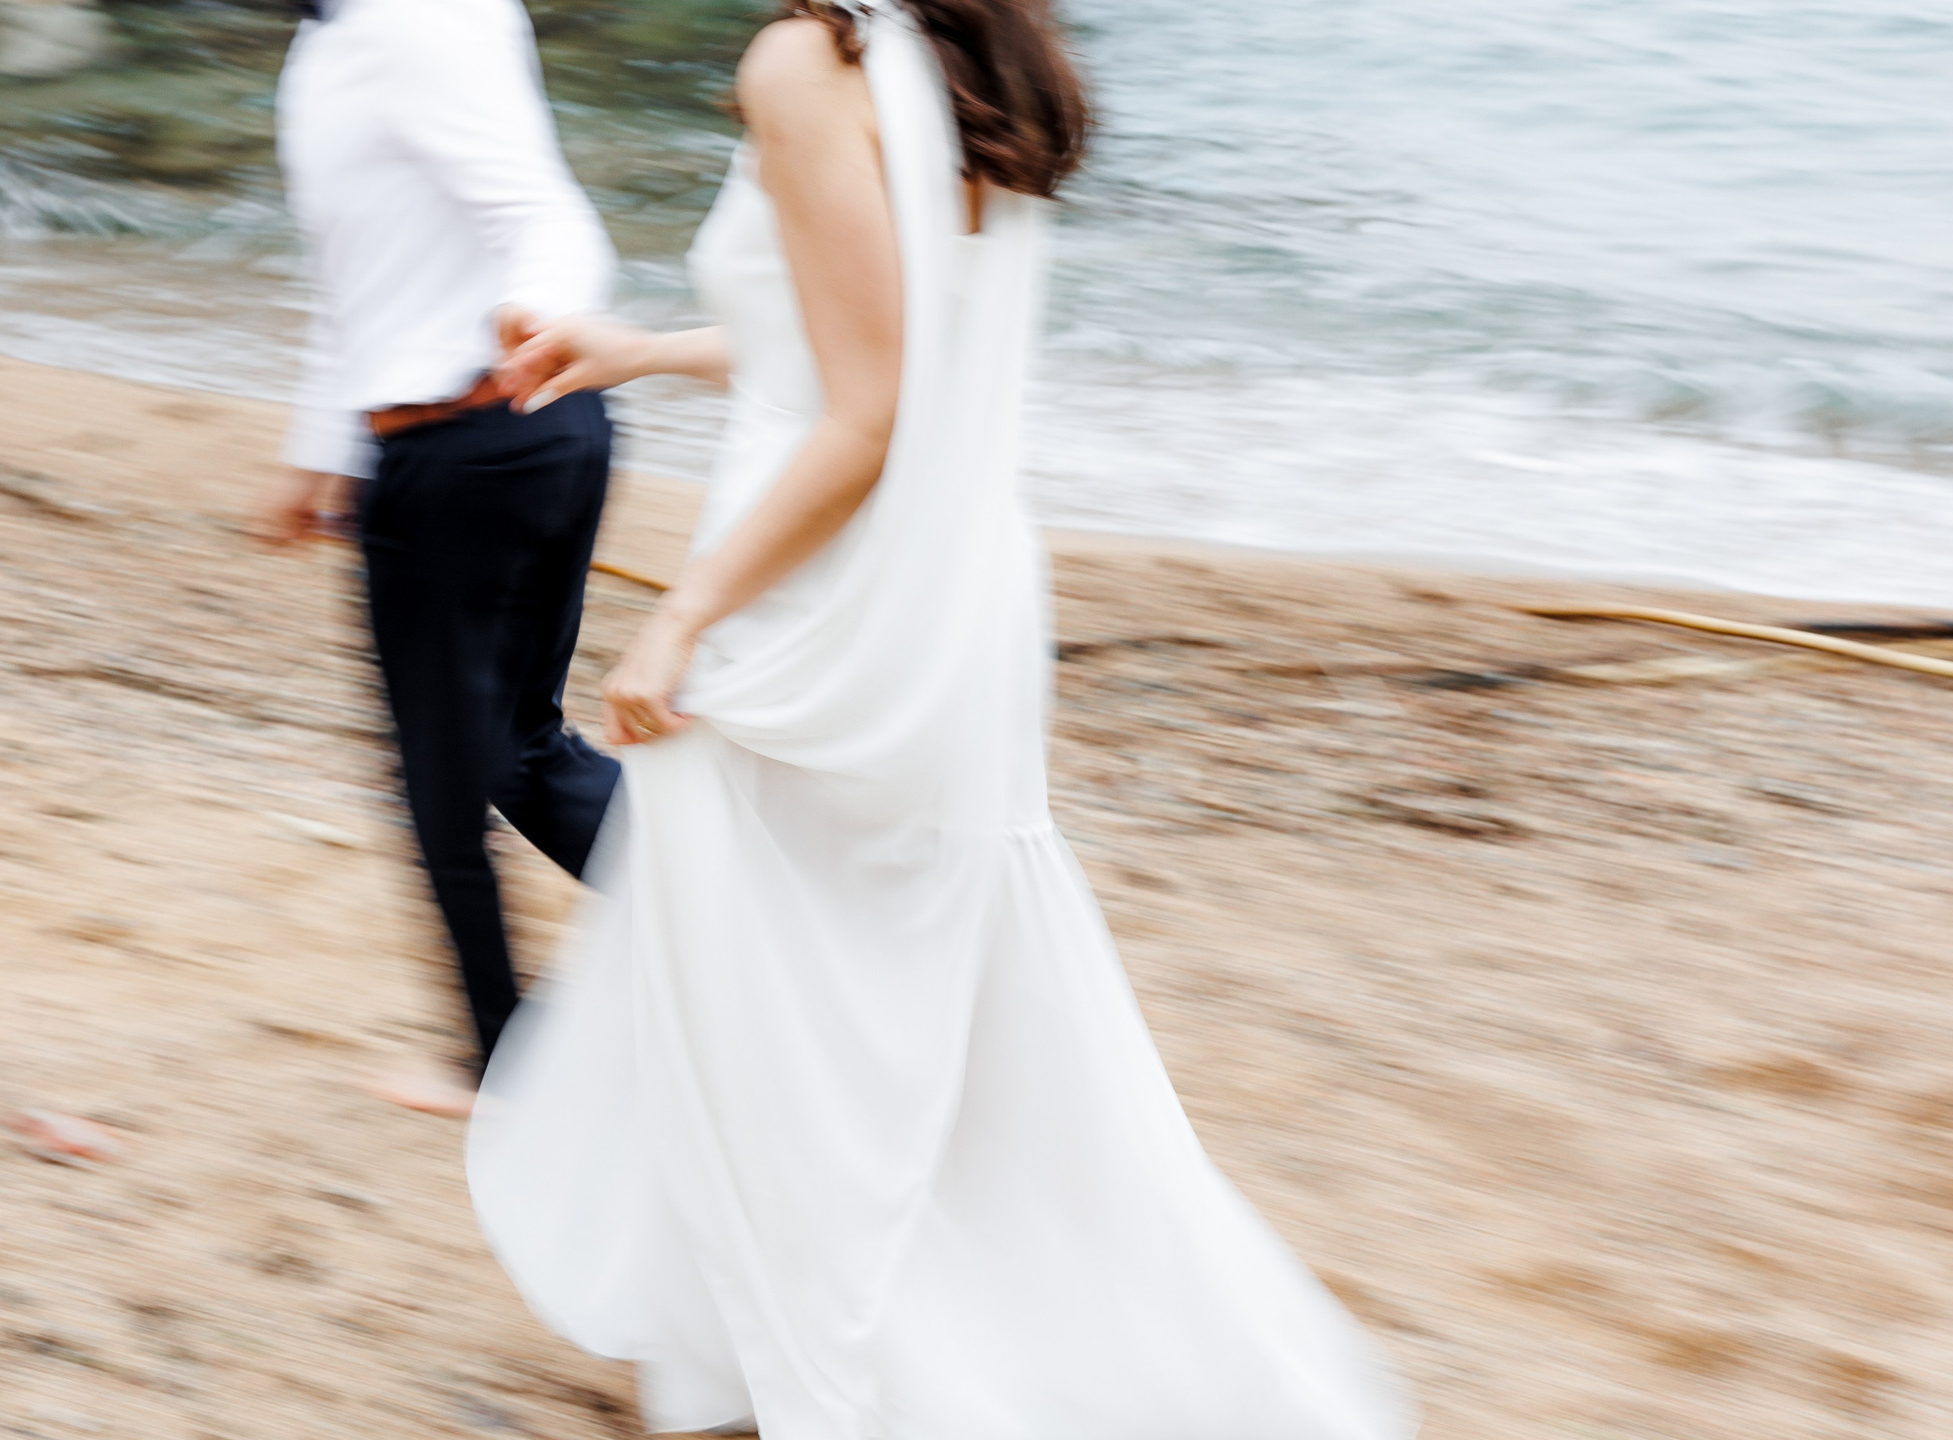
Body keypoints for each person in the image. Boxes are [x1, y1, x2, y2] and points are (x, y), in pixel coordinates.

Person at [468, 1, 1415, 1434]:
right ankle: (1007, 1350)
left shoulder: (810, 58)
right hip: (950, 601)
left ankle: (854, 1367)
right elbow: (857, 337)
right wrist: (642, 350)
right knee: (925, 1014)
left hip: (822, 609)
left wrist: (684, 614)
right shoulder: (974, 53)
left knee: (783, 1013)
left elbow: (867, 412)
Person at [256, 0, 621, 1117]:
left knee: (444, 782)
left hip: (481, 440)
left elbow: (547, 215)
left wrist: (533, 324)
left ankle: (506, 1059)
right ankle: (754, 922)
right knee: (515, 752)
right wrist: (321, 454)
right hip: (503, 435)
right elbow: (356, 274)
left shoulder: (416, 17)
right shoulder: (335, 39)